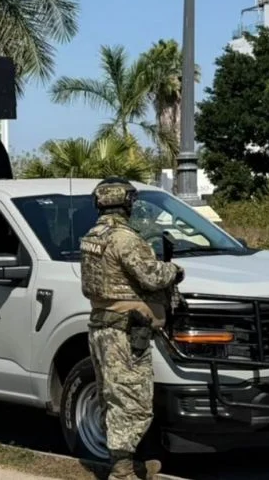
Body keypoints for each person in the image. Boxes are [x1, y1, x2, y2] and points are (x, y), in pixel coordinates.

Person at [79, 178, 184, 480]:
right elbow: (151, 276)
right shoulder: (124, 239)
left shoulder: (92, 236)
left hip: (102, 327)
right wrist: (174, 271)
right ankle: (122, 471)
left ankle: (127, 464)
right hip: (125, 332)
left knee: (112, 396)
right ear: (126, 203)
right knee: (132, 399)